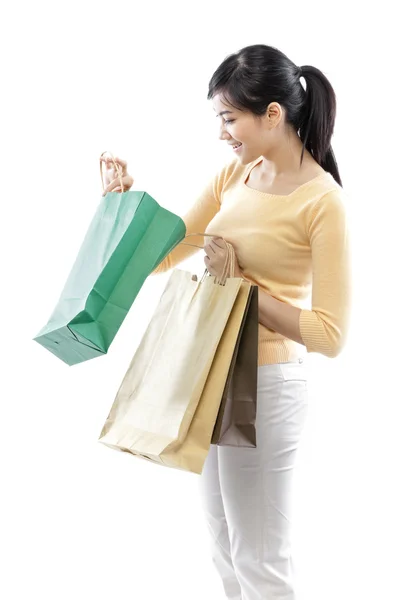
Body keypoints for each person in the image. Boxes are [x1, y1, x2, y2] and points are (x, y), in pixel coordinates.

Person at [101, 44, 351, 600]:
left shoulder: (322, 201)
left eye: (228, 117)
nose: (222, 133)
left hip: (267, 387)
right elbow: (164, 255)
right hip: (215, 378)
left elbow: (330, 335)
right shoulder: (235, 175)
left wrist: (242, 289)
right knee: (226, 553)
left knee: (261, 560)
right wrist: (121, 209)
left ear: (272, 114)